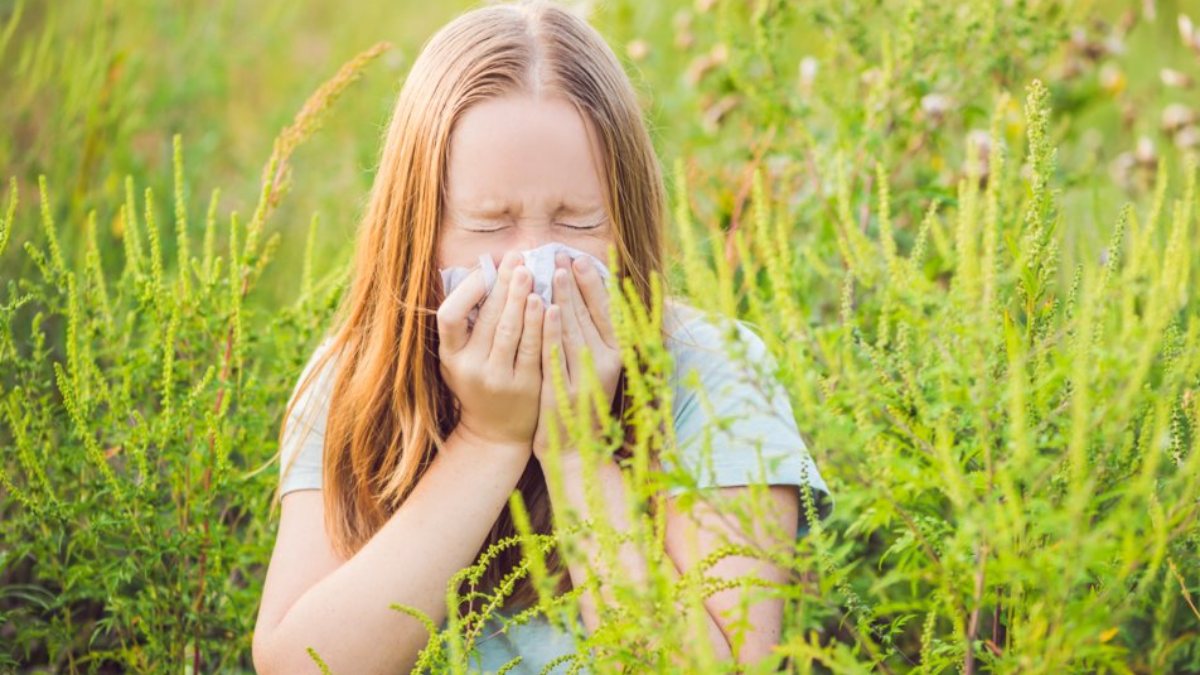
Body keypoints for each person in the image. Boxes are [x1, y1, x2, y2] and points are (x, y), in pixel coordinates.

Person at [251, 1, 832, 672]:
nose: (534, 266)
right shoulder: (357, 377)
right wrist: (487, 438)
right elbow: (303, 663)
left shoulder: (714, 372)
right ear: (421, 231)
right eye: (491, 223)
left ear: (627, 228)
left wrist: (578, 447)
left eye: (576, 221)